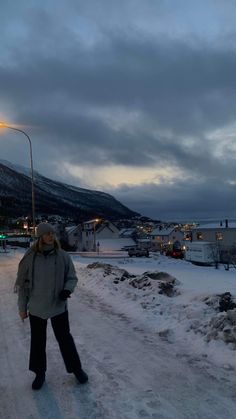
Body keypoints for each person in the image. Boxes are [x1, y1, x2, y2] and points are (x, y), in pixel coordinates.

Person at [15, 222, 88, 390]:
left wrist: (66, 290)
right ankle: (39, 373)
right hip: (37, 307)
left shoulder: (62, 255)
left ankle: (76, 369)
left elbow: (72, 277)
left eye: (52, 233)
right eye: (47, 234)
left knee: (65, 339)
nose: (50, 236)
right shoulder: (30, 257)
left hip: (58, 306)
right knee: (38, 342)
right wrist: (22, 308)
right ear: (40, 237)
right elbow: (23, 285)